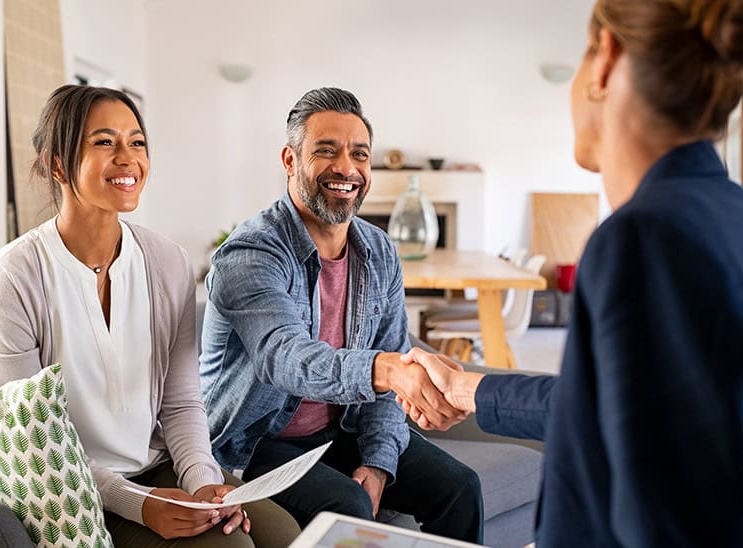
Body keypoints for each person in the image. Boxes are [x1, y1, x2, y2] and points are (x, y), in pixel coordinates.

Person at [398, 0, 743, 545]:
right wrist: (466, 388)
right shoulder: (727, 212)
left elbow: (658, 508)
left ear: (604, 59)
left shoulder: (644, 237)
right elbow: (609, 410)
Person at [0, 84, 300, 548]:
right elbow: (32, 446)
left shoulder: (167, 261)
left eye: (137, 142)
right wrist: (137, 503)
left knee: (287, 536)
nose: (128, 158)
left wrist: (202, 481)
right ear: (57, 164)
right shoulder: (12, 280)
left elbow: (182, 403)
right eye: (105, 142)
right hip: (68, 492)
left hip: (155, 465)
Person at [199, 87, 483, 543]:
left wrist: (377, 461)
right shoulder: (251, 254)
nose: (346, 169)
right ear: (290, 161)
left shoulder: (378, 251)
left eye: (359, 155)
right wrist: (385, 368)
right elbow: (284, 358)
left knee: (460, 488)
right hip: (255, 443)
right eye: (325, 151)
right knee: (346, 505)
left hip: (338, 429)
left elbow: (389, 374)